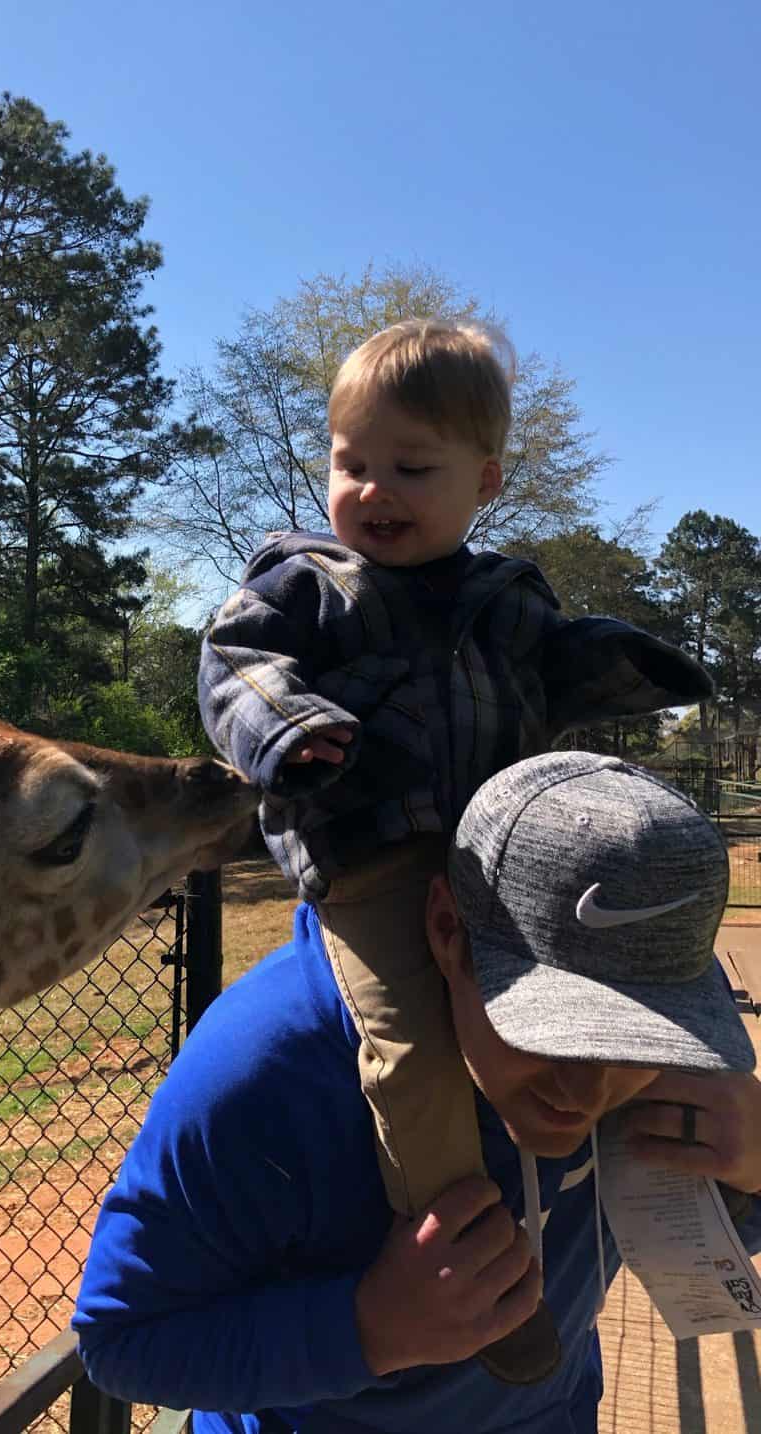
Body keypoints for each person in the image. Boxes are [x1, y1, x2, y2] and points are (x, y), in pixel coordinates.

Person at [196, 318, 712, 1379]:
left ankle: (690, 1190)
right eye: (352, 464)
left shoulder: (508, 595)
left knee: (634, 990)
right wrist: (284, 728)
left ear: (482, 482)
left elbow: (559, 668)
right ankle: (472, 1263)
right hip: (373, 860)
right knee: (413, 1053)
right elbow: (231, 666)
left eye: (410, 468)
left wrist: (632, 667)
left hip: (506, 852)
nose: (372, 489)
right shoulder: (307, 585)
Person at [74, 752, 761, 1434]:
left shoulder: (670, 1067)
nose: (586, 1089)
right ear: (447, 931)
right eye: (552, 1031)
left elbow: (698, 1236)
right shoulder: (266, 1066)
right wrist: (368, 1330)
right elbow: (124, 1346)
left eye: (632, 1040)